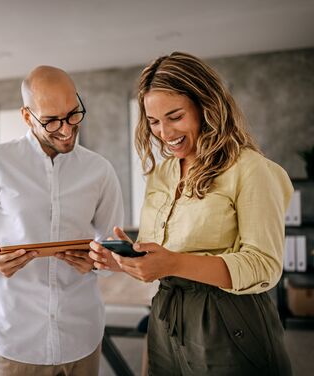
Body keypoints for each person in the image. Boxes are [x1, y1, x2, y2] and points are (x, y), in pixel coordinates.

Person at [89, 52, 293, 375]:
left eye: (175, 117)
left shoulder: (250, 169)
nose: (164, 133)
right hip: (166, 318)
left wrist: (172, 262)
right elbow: (159, 253)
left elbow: (264, 265)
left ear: (205, 106)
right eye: (154, 121)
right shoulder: (162, 174)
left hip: (229, 320)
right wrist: (123, 260)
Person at [0, 65, 124, 376]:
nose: (66, 129)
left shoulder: (100, 170)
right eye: (50, 121)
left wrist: (102, 260)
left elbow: (113, 245)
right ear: (26, 116)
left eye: (74, 114)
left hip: (82, 335)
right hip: (16, 339)